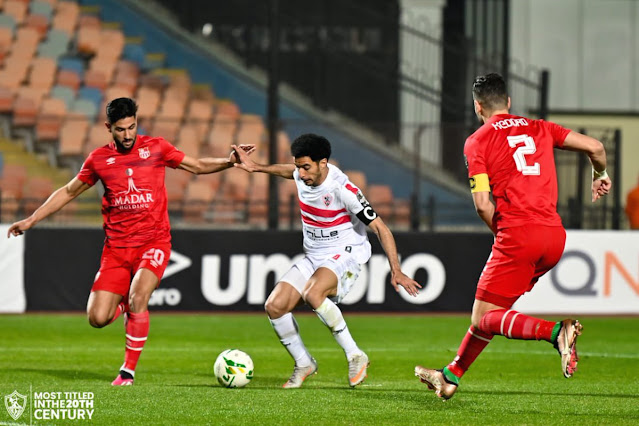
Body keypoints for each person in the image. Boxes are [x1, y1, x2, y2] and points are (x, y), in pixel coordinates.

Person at [7, 98, 255, 386]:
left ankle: (127, 372)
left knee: (139, 296)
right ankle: (125, 306)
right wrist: (31, 219)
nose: (127, 135)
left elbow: (197, 166)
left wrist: (229, 161)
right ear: (108, 127)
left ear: (137, 122)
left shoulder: (157, 147)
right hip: (116, 250)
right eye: (121, 129)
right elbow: (68, 191)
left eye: (132, 127)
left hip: (153, 242)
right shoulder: (99, 159)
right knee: (98, 318)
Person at [415, 73, 612, 400]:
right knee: (493, 313)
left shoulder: (477, 141)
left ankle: (556, 332)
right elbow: (596, 147)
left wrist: (505, 235)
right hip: (554, 237)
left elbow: (482, 204)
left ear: (477, 107)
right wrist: (600, 174)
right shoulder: (541, 127)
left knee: (484, 317)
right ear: (508, 101)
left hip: (519, 235)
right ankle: (450, 376)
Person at [232, 133, 422, 388]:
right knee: (275, 306)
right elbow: (289, 171)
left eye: (306, 167)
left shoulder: (343, 189)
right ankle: (304, 363)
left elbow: (381, 228)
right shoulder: (301, 174)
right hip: (314, 256)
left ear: (323, 163)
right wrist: (256, 167)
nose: (301, 173)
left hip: (346, 253)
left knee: (313, 293)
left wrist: (396, 270)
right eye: (298, 166)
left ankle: (355, 354)